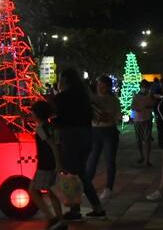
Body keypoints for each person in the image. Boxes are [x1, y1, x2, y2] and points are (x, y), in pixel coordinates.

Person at [53, 68, 106, 221]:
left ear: (65, 80)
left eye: (61, 78)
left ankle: (75, 211)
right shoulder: (83, 97)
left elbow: (59, 120)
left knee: (72, 175)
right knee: (81, 174)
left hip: (70, 137)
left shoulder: (62, 98)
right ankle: (97, 208)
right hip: (86, 136)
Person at [29, 100, 65, 229]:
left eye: (32, 112)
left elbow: (53, 146)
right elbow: (57, 145)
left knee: (33, 190)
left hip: (45, 164)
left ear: (37, 114)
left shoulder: (40, 129)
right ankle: (59, 220)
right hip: (50, 163)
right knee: (50, 191)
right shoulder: (50, 126)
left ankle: (52, 218)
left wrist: (58, 164)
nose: (31, 115)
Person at [86, 76, 120, 200]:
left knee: (109, 160)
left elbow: (117, 116)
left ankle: (108, 188)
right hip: (95, 131)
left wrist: (108, 117)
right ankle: (87, 185)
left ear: (109, 86)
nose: (101, 87)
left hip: (109, 131)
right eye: (99, 85)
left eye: (103, 85)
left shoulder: (113, 100)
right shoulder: (92, 99)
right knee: (92, 160)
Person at [131, 80, 155, 167]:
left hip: (147, 119)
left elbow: (153, 105)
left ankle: (147, 159)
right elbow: (132, 106)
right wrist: (138, 108)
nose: (145, 88)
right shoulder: (136, 96)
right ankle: (142, 156)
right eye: (143, 86)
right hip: (137, 120)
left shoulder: (150, 96)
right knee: (139, 140)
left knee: (147, 140)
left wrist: (149, 106)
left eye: (146, 87)